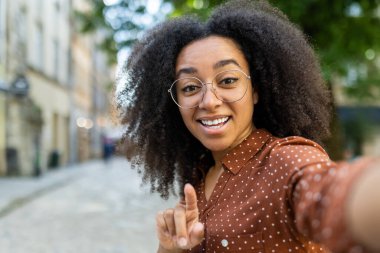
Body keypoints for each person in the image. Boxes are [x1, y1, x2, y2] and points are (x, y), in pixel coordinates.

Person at [118, 0, 380, 252]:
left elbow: (332, 194)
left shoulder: (286, 161)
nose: (208, 101)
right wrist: (169, 248)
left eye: (228, 80)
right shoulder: (199, 178)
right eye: (190, 87)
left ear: (255, 90)